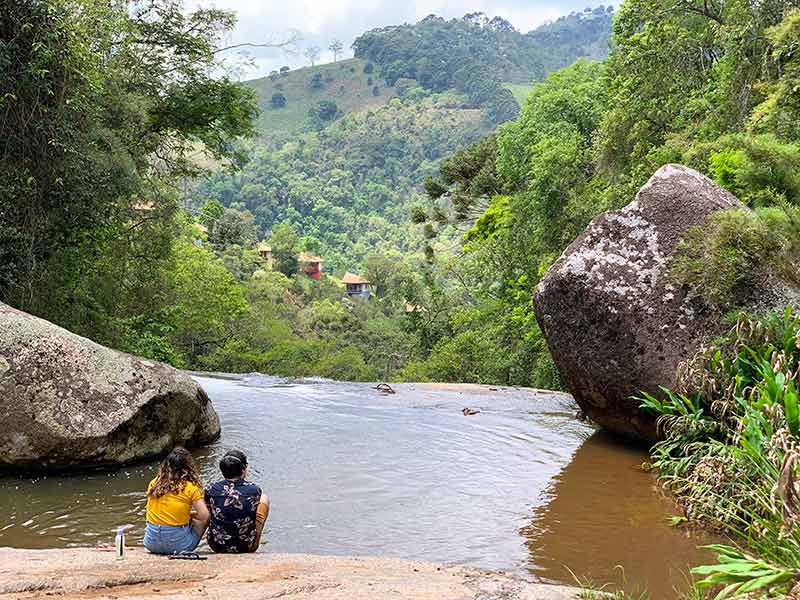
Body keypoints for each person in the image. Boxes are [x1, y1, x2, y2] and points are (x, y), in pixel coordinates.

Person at [143, 446, 209, 555]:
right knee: (201, 521)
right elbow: (204, 515)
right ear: (189, 467)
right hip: (178, 547)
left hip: (151, 544)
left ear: (166, 466)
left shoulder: (154, 483)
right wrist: (191, 516)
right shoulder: (190, 488)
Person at [205, 450, 270, 553]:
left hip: (217, 545)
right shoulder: (254, 490)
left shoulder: (211, 489)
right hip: (246, 546)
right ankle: (255, 539)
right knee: (264, 498)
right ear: (243, 469)